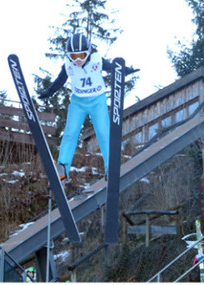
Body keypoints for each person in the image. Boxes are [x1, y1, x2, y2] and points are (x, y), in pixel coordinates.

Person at [39, 33, 137, 180]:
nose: (78, 60)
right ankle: (62, 168)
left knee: (103, 133)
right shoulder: (68, 65)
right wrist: (49, 92)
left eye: (82, 55)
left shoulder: (96, 60)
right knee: (70, 133)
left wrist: (126, 70)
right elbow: (60, 81)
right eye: (74, 56)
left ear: (89, 52)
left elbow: (112, 68)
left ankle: (110, 166)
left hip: (97, 101)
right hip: (78, 103)